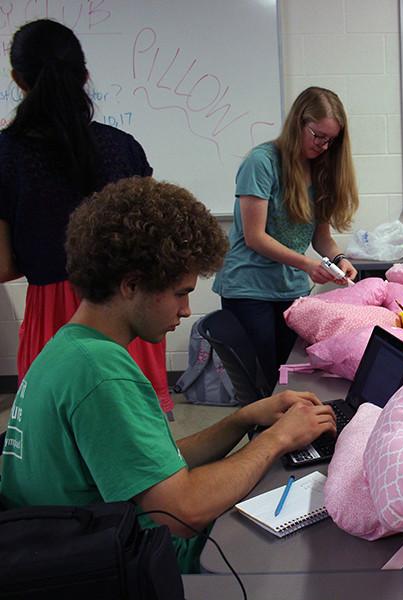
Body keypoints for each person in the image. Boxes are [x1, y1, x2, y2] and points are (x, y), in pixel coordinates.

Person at [0, 177, 338, 572]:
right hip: (119, 565)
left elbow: (157, 464)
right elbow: (182, 510)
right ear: (131, 285)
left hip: (56, 548)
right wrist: (279, 439)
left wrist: (245, 418)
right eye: (180, 293)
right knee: (315, 536)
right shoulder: (103, 375)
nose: (185, 309)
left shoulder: (68, 348)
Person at [0, 19, 174, 416]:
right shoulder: (123, 148)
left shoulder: (6, 156)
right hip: (131, 309)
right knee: (140, 442)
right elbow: (155, 241)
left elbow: (4, 263)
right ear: (84, 76)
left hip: (57, 315)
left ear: (18, 79)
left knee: (63, 444)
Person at [213, 86, 360, 389]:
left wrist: (339, 259)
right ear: (298, 123)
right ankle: (266, 434)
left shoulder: (320, 169)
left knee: (292, 379)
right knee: (266, 384)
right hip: (249, 290)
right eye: (318, 136)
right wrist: (307, 265)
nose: (323, 146)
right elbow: (255, 237)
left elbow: (322, 238)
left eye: (330, 140)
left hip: (290, 290)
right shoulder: (262, 162)